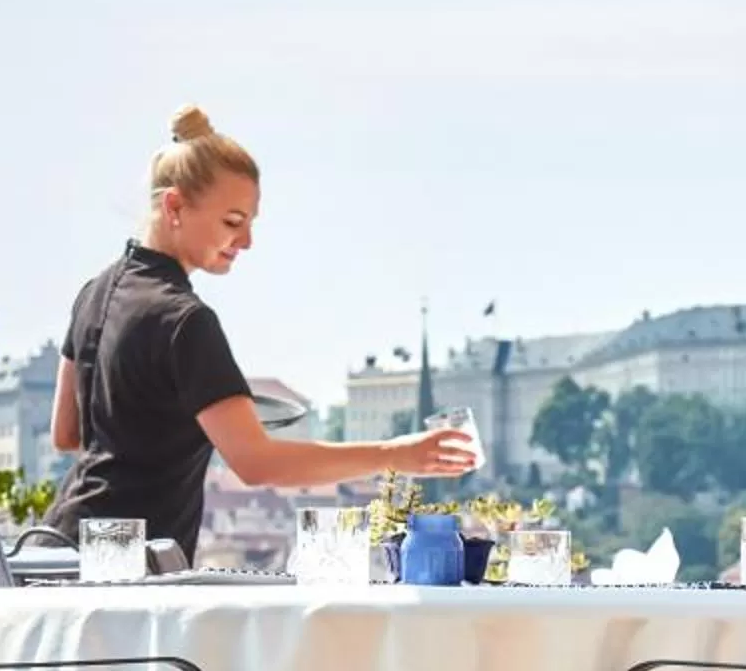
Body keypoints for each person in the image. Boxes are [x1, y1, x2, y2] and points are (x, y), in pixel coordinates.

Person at [49, 106, 475, 556]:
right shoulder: (185, 320)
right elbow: (257, 463)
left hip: (63, 545)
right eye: (233, 222)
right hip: (132, 566)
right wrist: (396, 455)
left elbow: (68, 435)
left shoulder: (93, 293)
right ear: (174, 205)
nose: (247, 241)